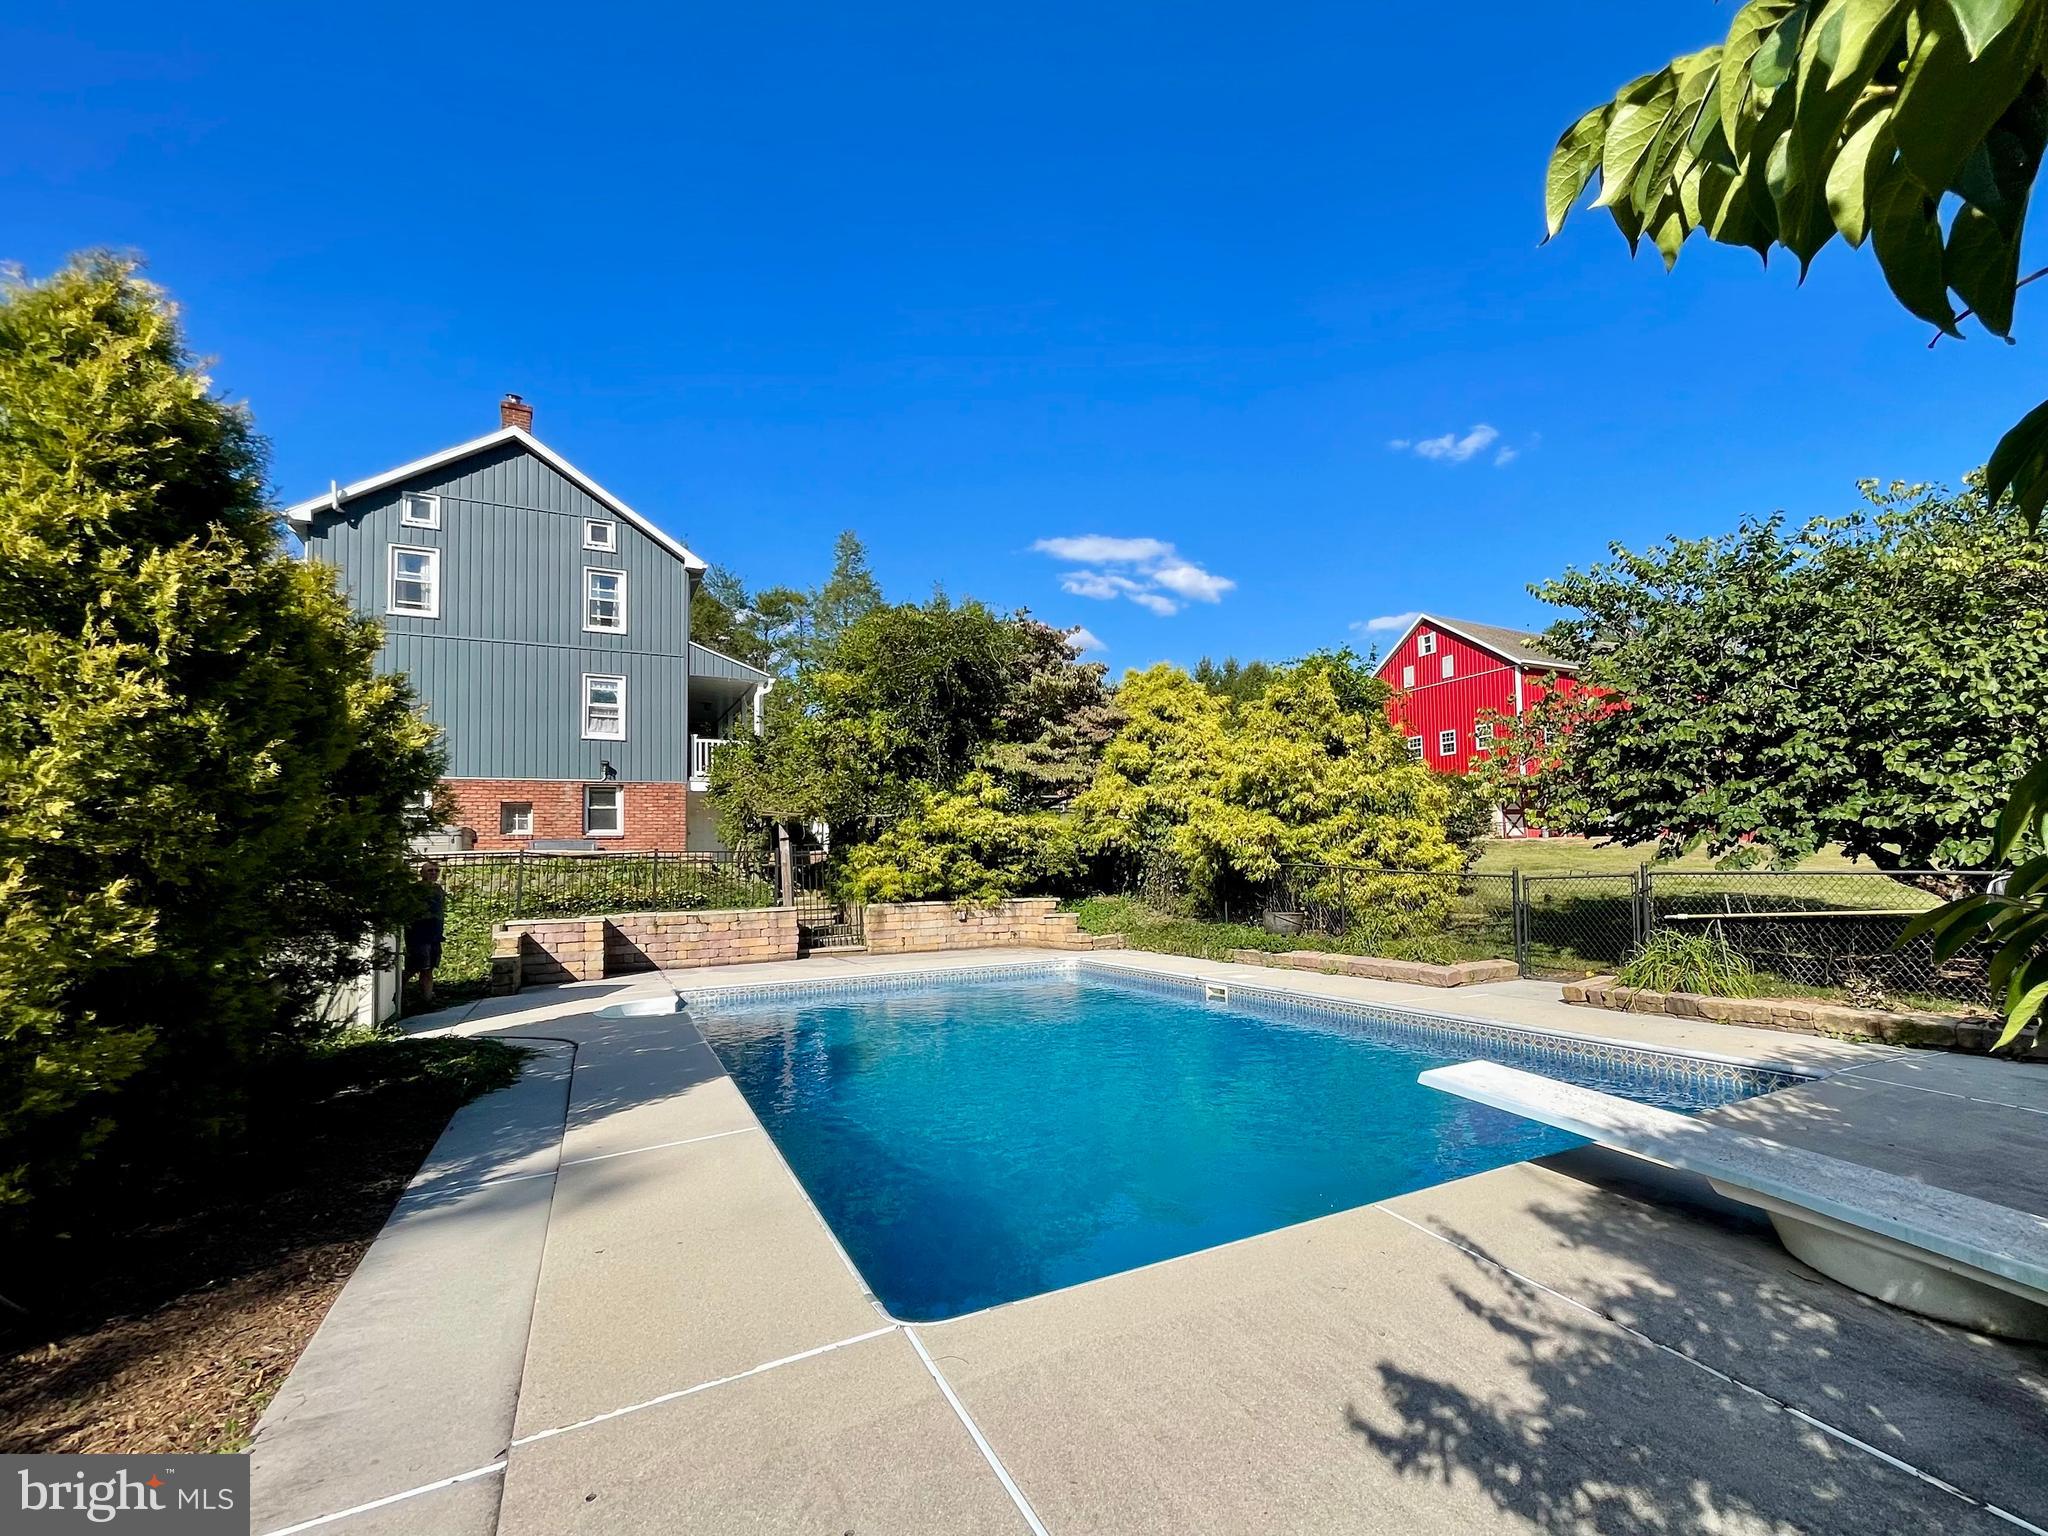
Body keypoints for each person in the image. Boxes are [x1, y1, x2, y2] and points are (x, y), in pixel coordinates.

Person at [406, 862, 448, 1006]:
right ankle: (399, 994)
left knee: (429, 969)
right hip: (419, 935)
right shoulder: (415, 890)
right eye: (430, 870)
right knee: (415, 967)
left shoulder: (438, 889)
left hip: (435, 935)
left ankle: (427, 999)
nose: (434, 873)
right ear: (421, 873)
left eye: (436, 870)